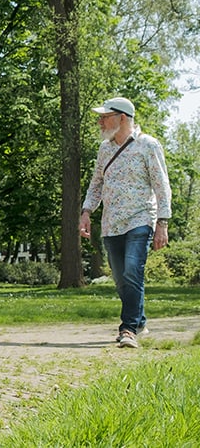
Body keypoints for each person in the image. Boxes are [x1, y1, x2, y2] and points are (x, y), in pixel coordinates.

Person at [79, 97, 171, 349]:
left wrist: (162, 222)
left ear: (122, 118)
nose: (100, 121)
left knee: (132, 270)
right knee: (121, 278)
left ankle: (128, 329)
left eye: (105, 116)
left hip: (141, 219)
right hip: (111, 223)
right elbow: (96, 184)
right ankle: (139, 321)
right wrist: (86, 212)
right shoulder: (104, 149)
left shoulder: (148, 145)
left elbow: (161, 185)